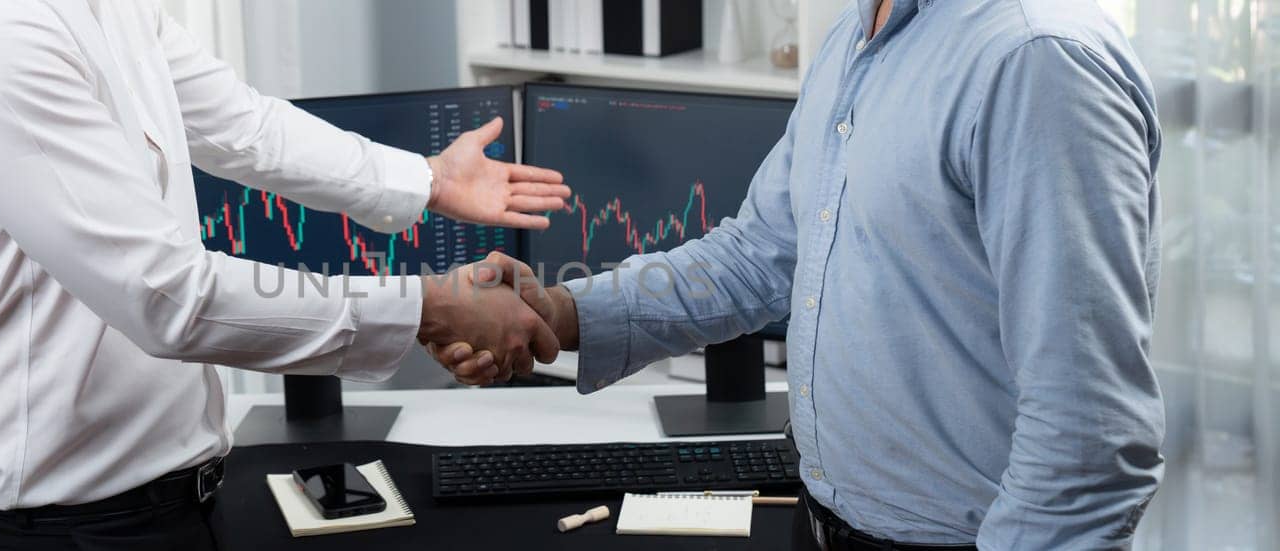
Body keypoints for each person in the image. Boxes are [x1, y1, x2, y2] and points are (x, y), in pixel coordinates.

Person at [433, 0, 1166, 548]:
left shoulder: (1035, 59)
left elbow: (1088, 444)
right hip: (822, 523)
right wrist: (558, 311)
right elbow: (761, 253)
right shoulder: (860, 36)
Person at [0, 0, 566, 548]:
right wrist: (425, 307)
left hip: (174, 508)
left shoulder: (100, 8)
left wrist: (427, 179)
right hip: (56, 529)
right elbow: (166, 297)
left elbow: (245, 126)